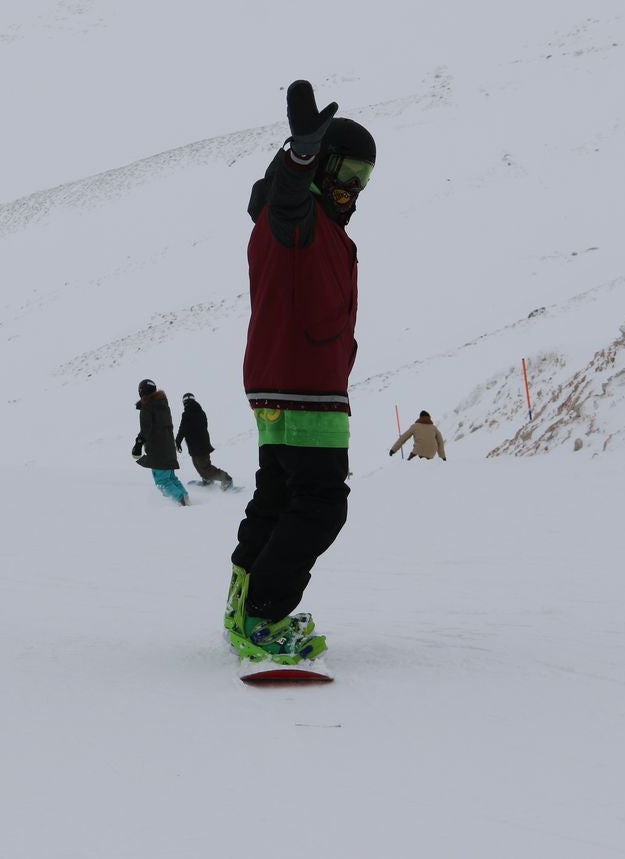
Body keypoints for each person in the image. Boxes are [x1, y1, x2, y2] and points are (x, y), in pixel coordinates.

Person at [223, 79, 376, 666]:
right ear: (322, 167)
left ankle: (244, 598)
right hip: (303, 384)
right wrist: (300, 157)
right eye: (348, 173)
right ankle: (264, 615)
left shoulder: (315, 225)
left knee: (279, 494)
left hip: (286, 380)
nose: (354, 189)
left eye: (364, 178)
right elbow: (288, 194)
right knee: (320, 503)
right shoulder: (297, 216)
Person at [131, 379, 189, 506]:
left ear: (142, 392)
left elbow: (146, 429)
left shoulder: (147, 408)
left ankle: (181, 503)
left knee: (162, 481)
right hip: (169, 449)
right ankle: (185, 498)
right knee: (171, 478)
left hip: (158, 451)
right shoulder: (163, 405)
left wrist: (138, 443)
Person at [175, 393, 233, 490]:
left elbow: (183, 429)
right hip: (201, 445)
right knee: (200, 465)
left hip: (197, 447)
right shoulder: (201, 412)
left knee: (205, 468)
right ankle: (207, 479)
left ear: (184, 402)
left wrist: (178, 441)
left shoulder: (187, 414)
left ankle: (226, 479)